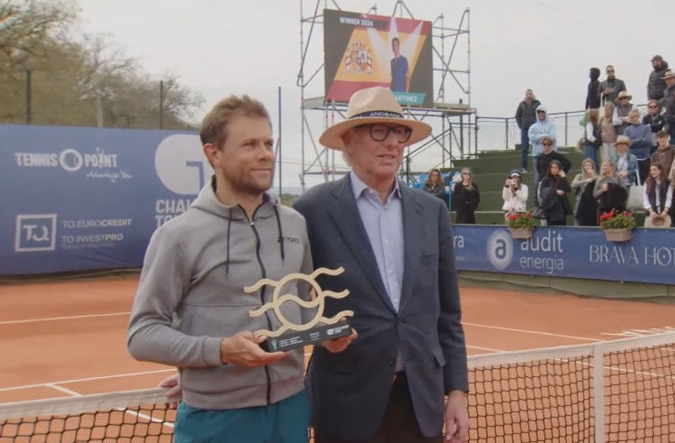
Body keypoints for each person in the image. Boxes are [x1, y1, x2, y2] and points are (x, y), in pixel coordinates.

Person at [127, 95, 353, 443]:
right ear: (213, 154)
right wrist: (219, 350)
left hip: (291, 407)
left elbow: (298, 303)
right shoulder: (178, 236)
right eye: (249, 144)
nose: (266, 154)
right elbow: (142, 334)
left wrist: (323, 334)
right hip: (216, 418)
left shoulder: (294, 224)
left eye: (268, 143)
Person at [292, 87, 469, 443]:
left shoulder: (432, 212)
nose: (392, 143)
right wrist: (322, 337)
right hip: (345, 402)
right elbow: (289, 305)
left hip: (420, 399)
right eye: (378, 131)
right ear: (347, 141)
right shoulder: (311, 209)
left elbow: (448, 315)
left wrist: (458, 392)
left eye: (399, 133)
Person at [529, 136, 571, 208]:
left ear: (551, 145)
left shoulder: (557, 155)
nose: (546, 146)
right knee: (541, 200)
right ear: (542, 145)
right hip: (542, 181)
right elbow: (538, 168)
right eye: (544, 144)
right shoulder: (540, 157)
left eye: (548, 144)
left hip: (553, 181)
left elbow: (568, 164)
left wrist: (560, 174)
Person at [623, 109, 654, 182]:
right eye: (630, 117)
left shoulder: (646, 128)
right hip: (632, 159)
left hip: (645, 158)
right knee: (633, 181)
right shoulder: (627, 130)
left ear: (638, 116)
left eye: (633, 117)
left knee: (645, 180)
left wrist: (633, 142)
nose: (632, 119)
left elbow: (648, 140)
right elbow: (626, 143)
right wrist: (641, 139)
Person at [538, 160, 572, 226]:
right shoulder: (546, 179)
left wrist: (564, 177)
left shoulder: (561, 179)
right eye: (552, 167)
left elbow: (568, 189)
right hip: (550, 208)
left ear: (559, 169)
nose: (553, 169)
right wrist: (555, 191)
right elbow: (542, 192)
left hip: (561, 209)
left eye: (556, 168)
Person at [515, 89, 540, 172]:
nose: (529, 95)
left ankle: (538, 166)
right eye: (527, 94)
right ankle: (523, 167)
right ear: (525, 95)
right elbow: (517, 116)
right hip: (525, 129)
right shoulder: (522, 104)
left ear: (533, 94)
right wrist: (521, 125)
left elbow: (541, 114)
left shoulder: (537, 103)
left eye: (530, 94)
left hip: (535, 129)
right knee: (524, 148)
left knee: (537, 147)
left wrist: (538, 124)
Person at [643, 162, 673, 228]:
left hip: (663, 211)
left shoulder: (667, 182)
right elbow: (645, 198)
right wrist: (651, 211)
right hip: (651, 211)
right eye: (651, 170)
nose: (652, 172)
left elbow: (669, 198)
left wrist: (665, 211)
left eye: (654, 170)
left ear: (660, 171)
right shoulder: (647, 182)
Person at [571, 158, 599, 226]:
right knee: (578, 220)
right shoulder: (579, 176)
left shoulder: (597, 177)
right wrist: (585, 181)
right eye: (585, 165)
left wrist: (592, 176)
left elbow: (598, 186)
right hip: (580, 201)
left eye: (589, 165)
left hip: (592, 203)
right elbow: (573, 185)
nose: (587, 167)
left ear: (593, 166)